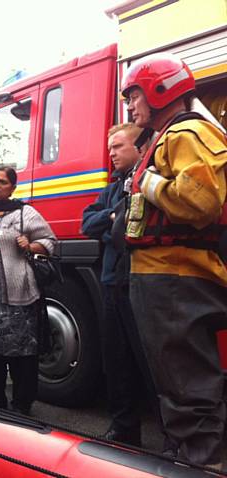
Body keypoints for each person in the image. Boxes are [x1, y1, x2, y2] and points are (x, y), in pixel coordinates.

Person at [122, 53, 227, 467]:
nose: (130, 107)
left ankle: (206, 466)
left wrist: (145, 181)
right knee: (179, 386)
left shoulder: (187, 133)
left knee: (188, 390)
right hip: (165, 278)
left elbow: (199, 200)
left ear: (159, 89)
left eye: (134, 96)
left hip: (175, 278)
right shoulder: (169, 136)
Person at [82, 123, 159, 446]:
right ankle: (124, 429)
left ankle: (173, 435)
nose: (111, 153)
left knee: (152, 363)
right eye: (110, 147)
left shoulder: (152, 180)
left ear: (139, 148)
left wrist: (113, 220)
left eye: (118, 146)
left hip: (143, 284)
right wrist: (114, 217)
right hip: (113, 283)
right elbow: (88, 222)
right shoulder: (113, 189)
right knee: (116, 360)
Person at [0, 166, 56, 415]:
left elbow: (50, 243)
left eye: (2, 182)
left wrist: (30, 245)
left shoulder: (25, 213)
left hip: (18, 295)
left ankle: (22, 405)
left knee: (22, 351)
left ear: (13, 187)